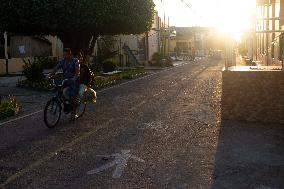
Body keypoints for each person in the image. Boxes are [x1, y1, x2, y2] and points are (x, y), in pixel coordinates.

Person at [51, 48, 80, 120]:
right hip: (65, 80)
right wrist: (51, 74)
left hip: (73, 81)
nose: (64, 56)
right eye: (63, 54)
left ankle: (74, 112)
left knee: (72, 95)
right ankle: (66, 104)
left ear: (70, 54)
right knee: (58, 89)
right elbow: (56, 68)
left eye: (65, 54)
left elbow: (77, 71)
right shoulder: (62, 61)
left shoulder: (75, 61)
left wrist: (74, 78)